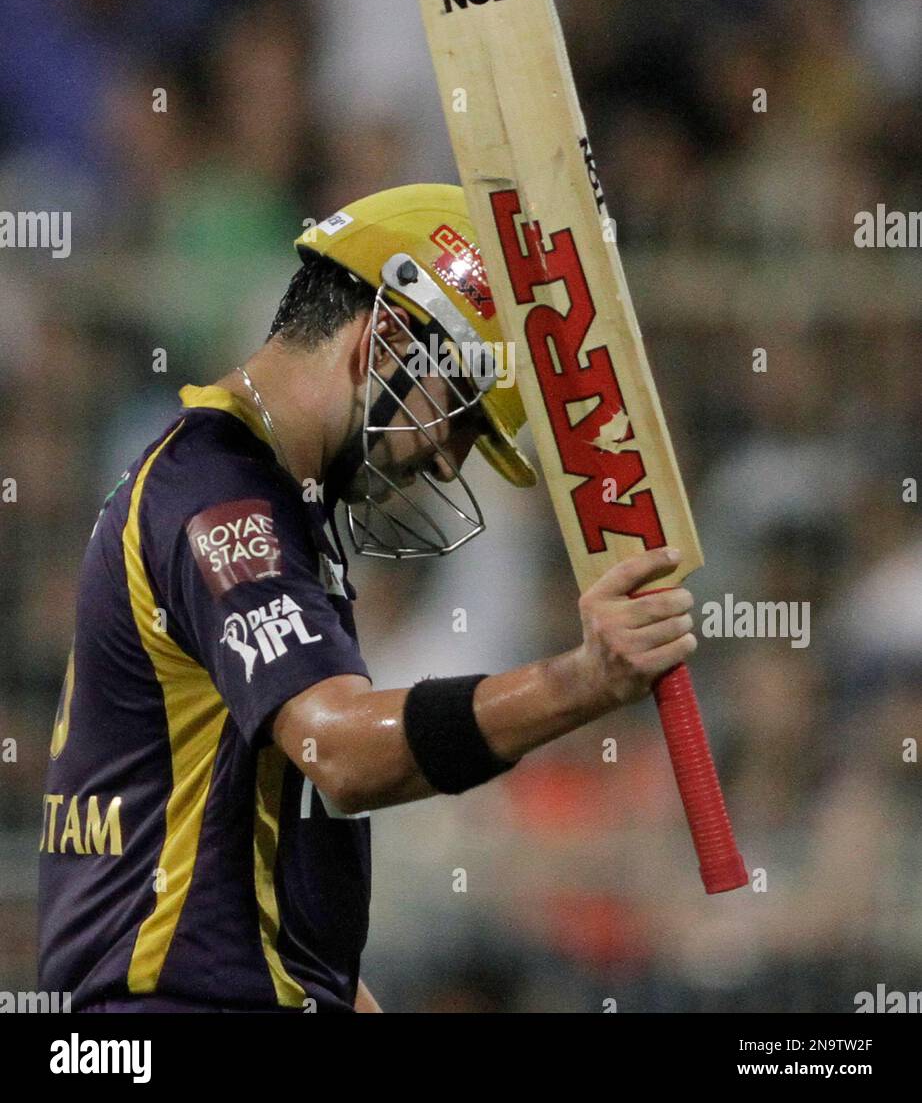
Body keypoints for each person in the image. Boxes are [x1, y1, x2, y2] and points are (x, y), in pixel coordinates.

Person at [37, 184, 697, 1014]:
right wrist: (583, 682)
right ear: (386, 335)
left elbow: (269, 893)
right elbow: (340, 753)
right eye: (458, 415)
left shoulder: (263, 506)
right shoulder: (220, 495)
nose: (450, 461)